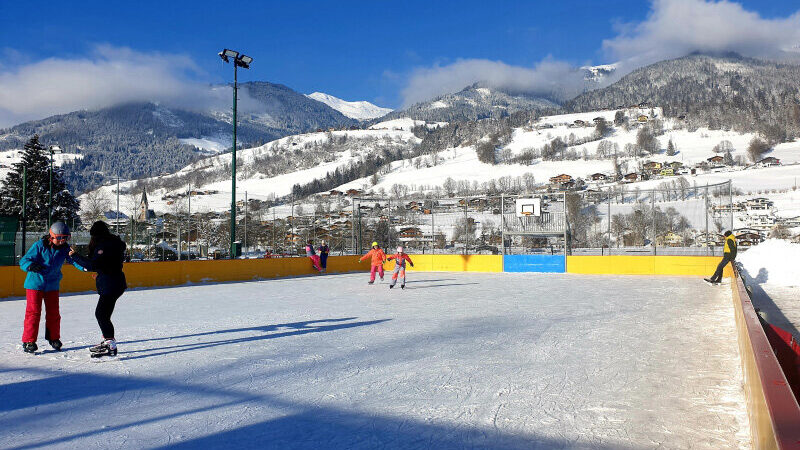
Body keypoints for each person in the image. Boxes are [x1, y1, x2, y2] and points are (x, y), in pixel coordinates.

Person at [19, 222, 85, 354]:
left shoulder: (65, 249)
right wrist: (31, 266)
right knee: (33, 312)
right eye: (59, 238)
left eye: (65, 238)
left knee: (54, 313)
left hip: (52, 285)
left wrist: (86, 268)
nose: (62, 241)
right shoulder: (39, 246)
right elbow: (24, 261)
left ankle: (53, 338)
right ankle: (29, 341)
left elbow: (74, 262)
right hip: (35, 284)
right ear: (51, 236)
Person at [69, 221, 127, 358]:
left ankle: (110, 344)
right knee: (103, 314)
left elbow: (92, 264)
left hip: (111, 285)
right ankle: (109, 341)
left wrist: (74, 255)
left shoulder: (103, 245)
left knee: (101, 314)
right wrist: (101, 273)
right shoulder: (112, 243)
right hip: (115, 283)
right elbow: (106, 264)